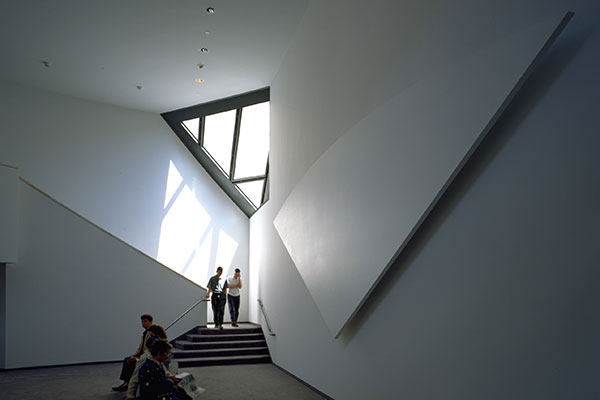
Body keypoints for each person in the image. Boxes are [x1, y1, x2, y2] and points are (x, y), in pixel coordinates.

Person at [126, 324, 168, 400]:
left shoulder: (158, 358)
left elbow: (162, 367)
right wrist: (130, 396)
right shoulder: (145, 358)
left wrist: (168, 375)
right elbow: (135, 378)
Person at [112, 313, 153, 392]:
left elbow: (149, 350)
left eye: (145, 321)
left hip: (146, 356)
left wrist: (138, 358)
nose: (143, 323)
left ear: (150, 322)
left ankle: (128, 384)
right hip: (142, 355)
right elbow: (140, 348)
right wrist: (134, 355)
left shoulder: (151, 333)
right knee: (127, 359)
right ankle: (126, 382)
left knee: (131, 362)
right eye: (142, 322)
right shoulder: (144, 333)